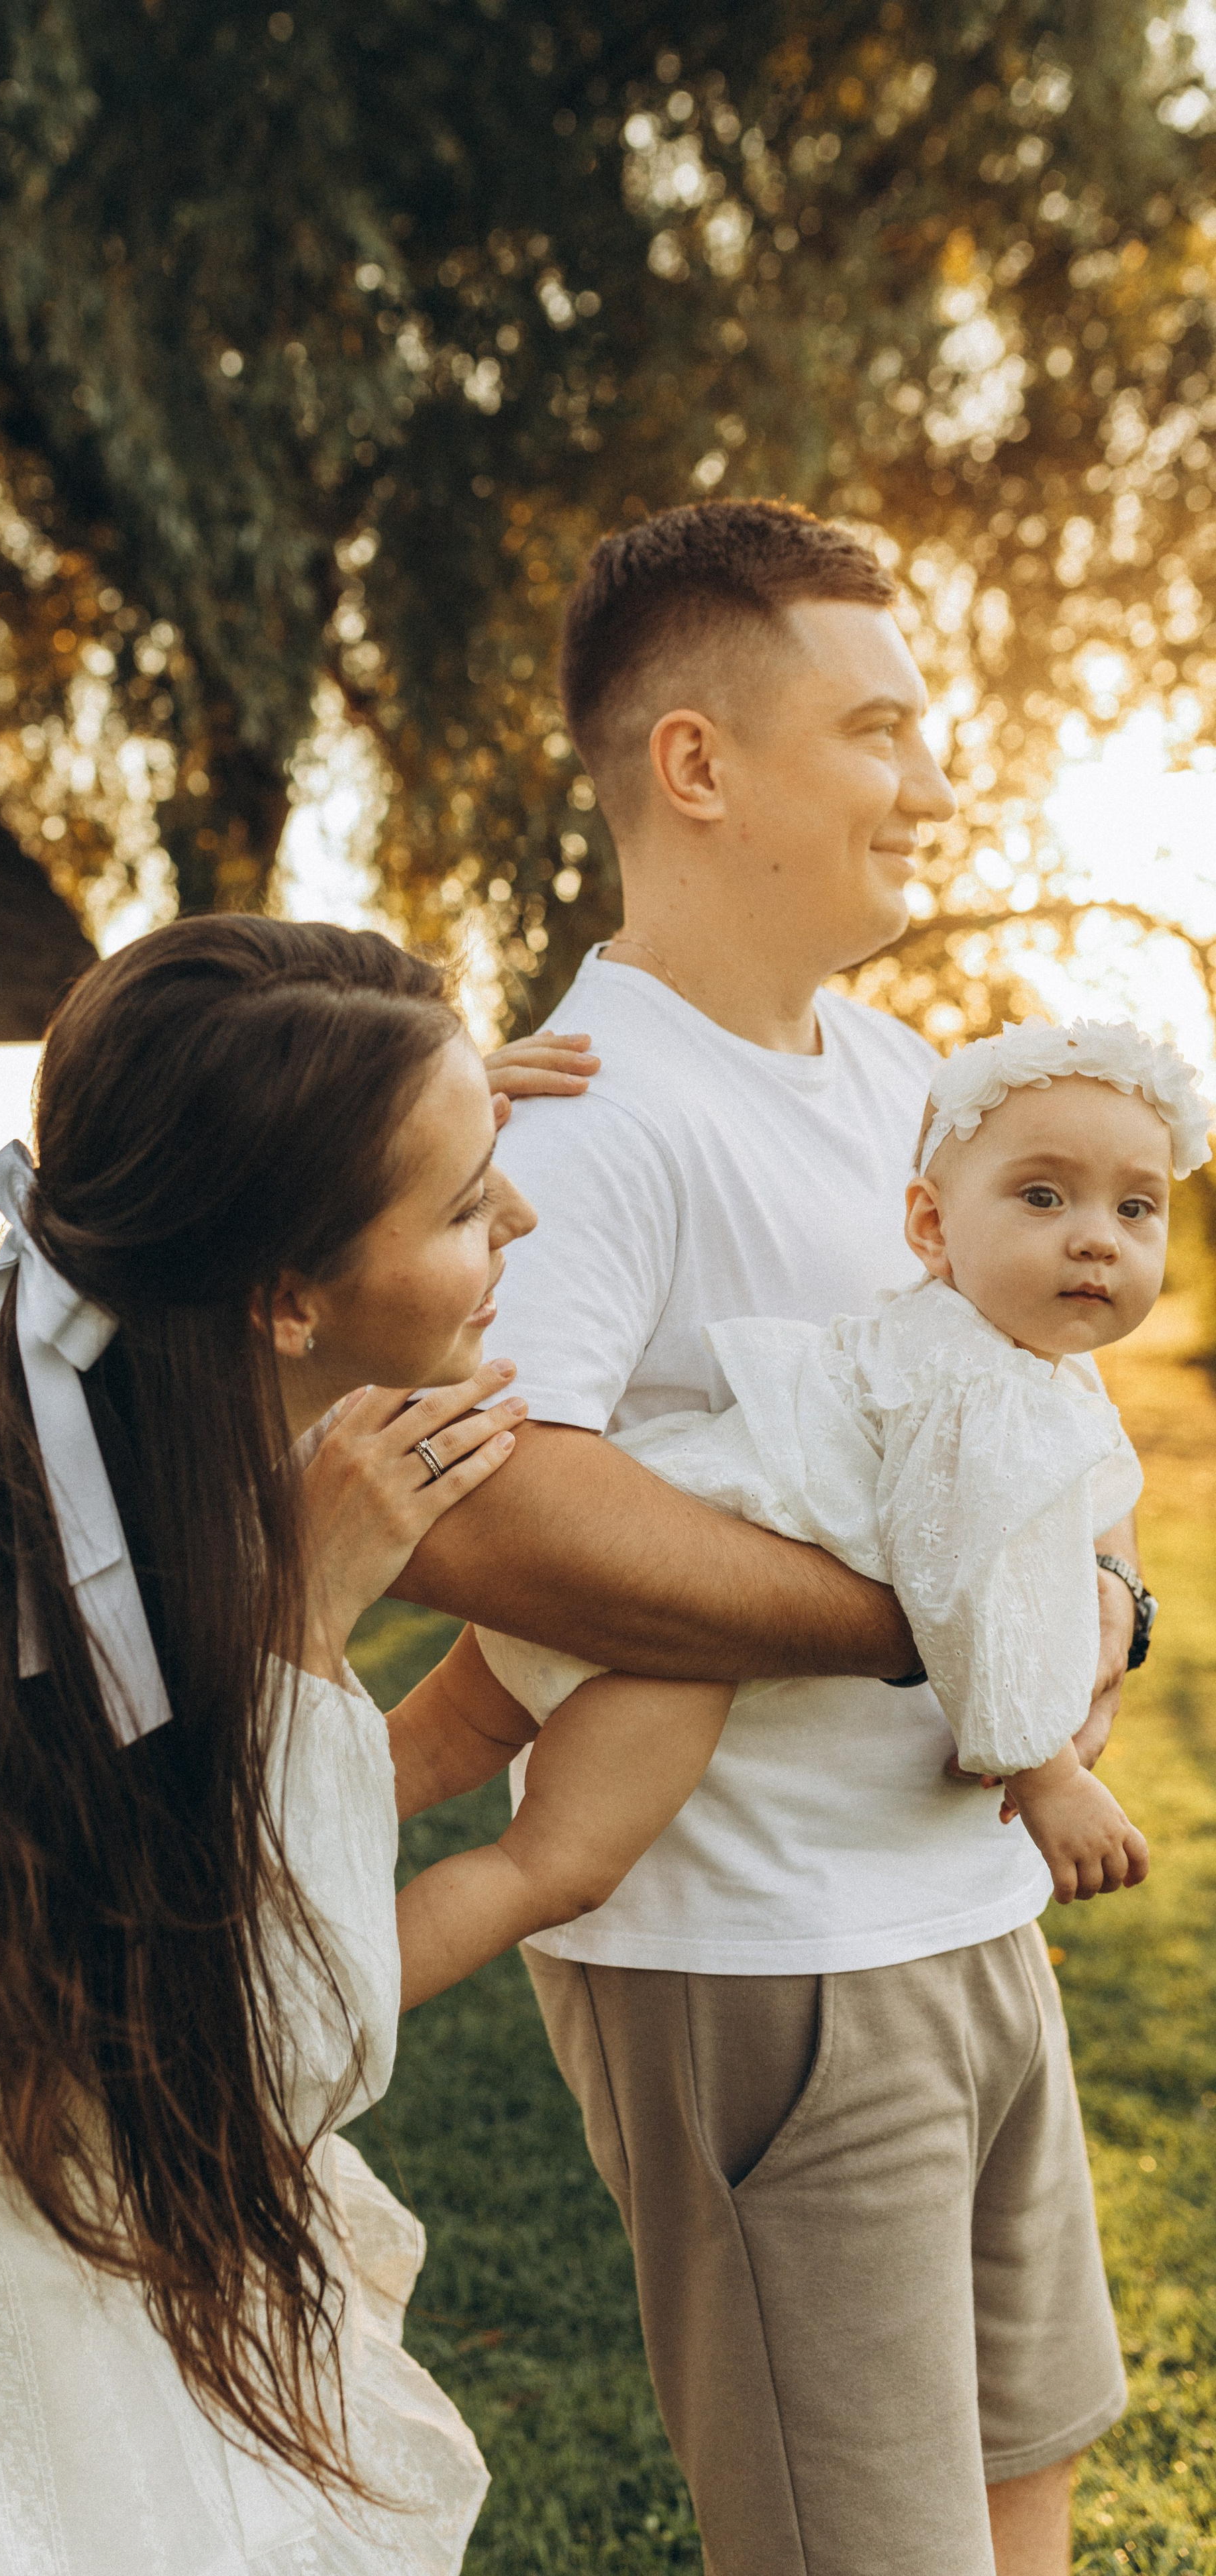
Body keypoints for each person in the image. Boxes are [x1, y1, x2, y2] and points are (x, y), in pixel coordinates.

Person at [398, 500, 1145, 2576]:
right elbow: (490, 1500)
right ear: (699, 766)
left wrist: (1097, 1595)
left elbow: (1014, 1418)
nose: (933, 780)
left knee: (1023, 2496)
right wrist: (925, 1627)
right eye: (882, 729)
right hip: (766, 1964)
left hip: (970, 1914)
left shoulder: (912, 1086)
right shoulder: (584, 1110)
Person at [0, 916, 553, 2576]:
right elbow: (270, 2054)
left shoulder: (89, 1343)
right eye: (460, 1202)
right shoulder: (52, 1592)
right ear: (282, 1295)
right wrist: (301, 1628)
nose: (516, 1216)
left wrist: (404, 1116)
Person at [388, 1013, 1213, 2007]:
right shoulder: (976, 1391)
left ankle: (208, 1877)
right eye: (1044, 1197)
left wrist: (1110, 1585)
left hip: (646, 1529)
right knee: (547, 1871)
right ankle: (280, 2023)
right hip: (672, 1641)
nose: (1096, 1237)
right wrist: (1047, 1779)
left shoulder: (988, 1351)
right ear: (931, 1228)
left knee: (413, 1756)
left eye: (1137, 1209)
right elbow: (957, 1580)